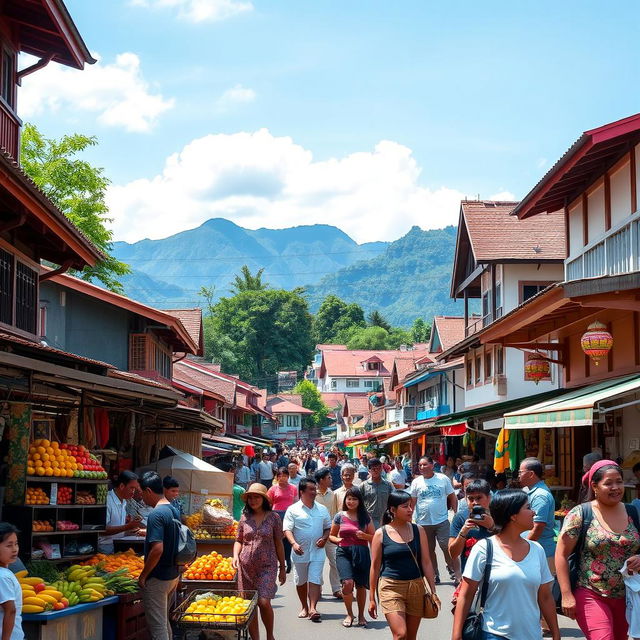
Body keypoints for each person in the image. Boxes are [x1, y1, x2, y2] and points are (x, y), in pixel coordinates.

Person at [452, 489, 560, 640]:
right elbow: (466, 594)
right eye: (528, 508)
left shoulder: (537, 550)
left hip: (532, 635)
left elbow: (545, 597)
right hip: (494, 634)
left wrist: (556, 633)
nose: (534, 512)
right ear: (513, 516)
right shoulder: (484, 549)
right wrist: (456, 635)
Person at [556, 459, 640, 640]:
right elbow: (561, 554)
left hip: (628, 596)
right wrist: (566, 595)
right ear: (594, 486)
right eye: (608, 483)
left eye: (619, 481)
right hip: (590, 593)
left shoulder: (633, 511)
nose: (616, 487)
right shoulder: (581, 514)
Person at [369, 490, 439, 640]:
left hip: (416, 587)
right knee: (401, 634)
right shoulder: (381, 534)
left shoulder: (418, 530)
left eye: (411, 506)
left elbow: (426, 561)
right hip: (390, 587)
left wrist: (433, 590)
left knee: (411, 637)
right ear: (393, 510)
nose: (410, 510)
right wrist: (371, 598)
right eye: (405, 506)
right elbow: (374, 567)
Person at [233, 483, 286, 640]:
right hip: (246, 567)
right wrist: (235, 555)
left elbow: (278, 543)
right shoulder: (244, 517)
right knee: (250, 605)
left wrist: (283, 567)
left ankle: (270, 635)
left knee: (263, 602)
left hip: (267, 566)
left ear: (264, 499)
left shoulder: (274, 518)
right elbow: (238, 540)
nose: (253, 500)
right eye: (250, 497)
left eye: (257, 497)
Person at [138, 471, 179, 640]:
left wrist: (144, 575)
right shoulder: (173, 510)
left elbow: (157, 549)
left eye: (141, 493)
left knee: (158, 627)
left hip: (158, 577)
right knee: (164, 623)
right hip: (172, 575)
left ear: (148, 491)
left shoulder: (155, 514)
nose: (141, 498)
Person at [283, 478, 331, 622]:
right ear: (302, 492)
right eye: (310, 489)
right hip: (300, 552)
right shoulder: (292, 510)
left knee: (315, 578)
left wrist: (324, 538)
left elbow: (328, 527)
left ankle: (313, 608)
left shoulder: (322, 509)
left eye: (314, 489)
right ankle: (304, 606)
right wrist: (293, 543)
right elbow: (287, 529)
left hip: (317, 551)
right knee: (301, 581)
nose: (314, 492)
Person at [329, 487, 375, 627]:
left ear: (359, 501)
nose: (351, 501)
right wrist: (337, 540)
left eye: (354, 499)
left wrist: (364, 536)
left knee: (361, 585)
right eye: (349, 499)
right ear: (345, 500)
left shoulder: (366, 517)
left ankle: (361, 615)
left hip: (361, 552)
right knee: (347, 583)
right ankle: (349, 614)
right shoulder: (339, 516)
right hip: (344, 552)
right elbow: (332, 535)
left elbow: (375, 537)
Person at [409, 456, 458, 584]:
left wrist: (456, 514)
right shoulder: (416, 482)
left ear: (432, 465)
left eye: (424, 464)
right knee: (429, 550)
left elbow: (452, 497)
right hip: (423, 523)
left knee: (446, 546)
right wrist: (409, 519)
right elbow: (412, 502)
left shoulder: (443, 479)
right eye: (420, 465)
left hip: (442, 521)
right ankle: (435, 574)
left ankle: (453, 570)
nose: (422, 467)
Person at [518, 458, 556, 576]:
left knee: (542, 591)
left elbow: (538, 526)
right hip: (535, 550)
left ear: (531, 474)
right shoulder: (531, 492)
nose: (518, 475)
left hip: (542, 552)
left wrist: (523, 549)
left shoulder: (540, 495)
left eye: (520, 472)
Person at [448, 479, 495, 573]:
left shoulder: (500, 514)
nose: (475, 502)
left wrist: (492, 526)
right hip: (470, 574)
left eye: (479, 498)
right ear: (465, 499)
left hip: (496, 571)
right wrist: (463, 532)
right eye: (471, 499)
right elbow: (453, 554)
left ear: (489, 497)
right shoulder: (460, 517)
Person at [314, 468, 342, 598]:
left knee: (335, 561)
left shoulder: (333, 494)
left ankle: (336, 589)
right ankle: (317, 587)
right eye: (328, 478)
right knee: (317, 562)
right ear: (321, 480)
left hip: (331, 534)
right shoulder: (312, 494)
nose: (331, 480)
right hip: (316, 534)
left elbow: (336, 514)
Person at [98, 470, 140, 553]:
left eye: (135, 489)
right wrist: (127, 527)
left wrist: (128, 529)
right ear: (121, 486)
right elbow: (101, 530)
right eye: (131, 488)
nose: (133, 492)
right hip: (104, 548)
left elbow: (117, 527)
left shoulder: (124, 501)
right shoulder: (107, 501)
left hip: (117, 546)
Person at [267, 468, 298, 573]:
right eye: (279, 476)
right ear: (276, 477)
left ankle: (288, 561)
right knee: (276, 540)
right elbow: (268, 504)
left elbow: (296, 503)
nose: (282, 478)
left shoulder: (293, 488)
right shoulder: (272, 489)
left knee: (288, 540)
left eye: (284, 476)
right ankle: (276, 563)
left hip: (289, 516)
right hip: (276, 516)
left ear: (288, 477)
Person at [0, 523, 23, 640]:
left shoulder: (2, 576)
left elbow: (11, 611)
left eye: (16, 544)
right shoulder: (4, 573)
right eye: (9, 545)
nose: (14, 549)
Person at [361, 458, 393, 530]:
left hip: (385, 519)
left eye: (378, 468)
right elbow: (359, 503)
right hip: (369, 520)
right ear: (369, 470)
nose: (376, 471)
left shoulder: (388, 485)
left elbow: (393, 500)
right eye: (373, 469)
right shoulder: (363, 486)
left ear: (381, 469)